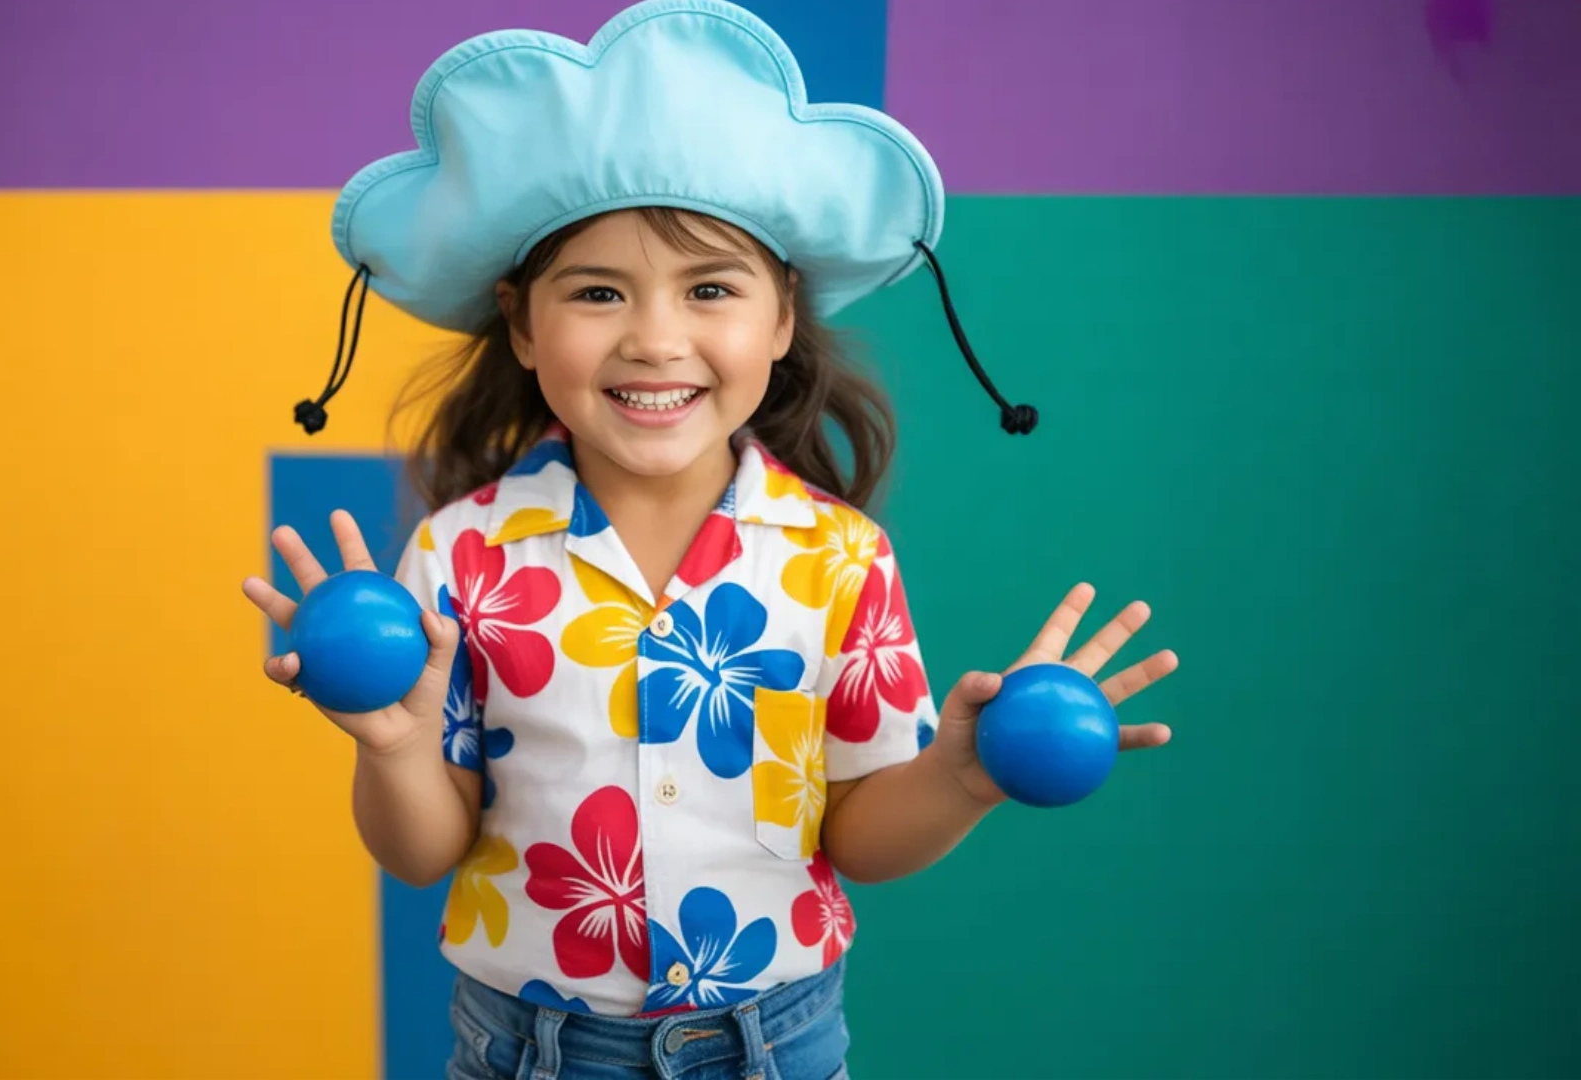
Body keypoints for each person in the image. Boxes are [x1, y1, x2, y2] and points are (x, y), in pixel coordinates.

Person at [242, 2, 1179, 1076]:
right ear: (521, 322)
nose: (654, 338)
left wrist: (965, 774)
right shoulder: (459, 556)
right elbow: (423, 854)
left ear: (780, 320)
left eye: (710, 290)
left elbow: (861, 840)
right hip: (530, 1050)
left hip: (774, 1045)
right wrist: (397, 744)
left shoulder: (839, 558)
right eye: (597, 292)